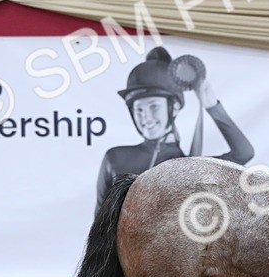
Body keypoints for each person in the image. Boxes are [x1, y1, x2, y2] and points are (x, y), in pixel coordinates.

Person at [96, 46, 254, 207]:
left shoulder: (189, 168)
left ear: (175, 107)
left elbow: (243, 154)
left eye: (154, 107)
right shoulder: (114, 158)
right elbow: (98, 224)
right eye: (139, 109)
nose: (146, 117)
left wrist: (211, 105)